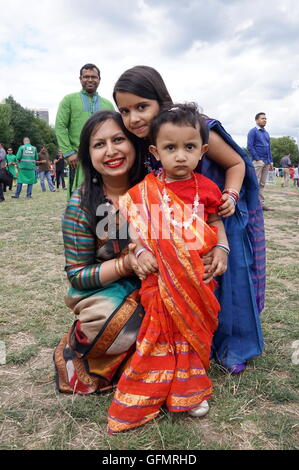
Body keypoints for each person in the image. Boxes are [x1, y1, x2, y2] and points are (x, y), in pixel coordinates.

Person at [113, 65, 265, 374]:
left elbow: (236, 163)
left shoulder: (196, 126)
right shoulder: (145, 143)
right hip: (175, 230)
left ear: (161, 99)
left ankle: (231, 346)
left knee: (224, 280)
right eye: (125, 111)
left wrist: (230, 196)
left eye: (142, 106)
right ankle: (193, 344)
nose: (134, 118)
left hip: (214, 213)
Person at [108, 103, 229, 433]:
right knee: (159, 332)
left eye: (189, 147)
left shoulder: (206, 188)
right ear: (155, 151)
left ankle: (189, 391)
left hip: (197, 278)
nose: (180, 156)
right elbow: (133, 226)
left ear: (202, 150)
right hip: (159, 279)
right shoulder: (145, 191)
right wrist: (140, 249)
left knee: (190, 336)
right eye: (170, 148)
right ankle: (154, 387)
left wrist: (222, 247)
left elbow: (215, 221)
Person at [53, 110, 147, 394]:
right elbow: (78, 276)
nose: (111, 151)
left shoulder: (155, 187)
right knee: (117, 325)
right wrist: (126, 265)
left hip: (156, 281)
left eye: (118, 139)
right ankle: (81, 344)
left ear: (133, 143)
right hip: (103, 290)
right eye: (99, 144)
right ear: (88, 155)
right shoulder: (81, 205)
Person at [55, 63, 115, 199]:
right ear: (80, 79)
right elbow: (60, 126)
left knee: (105, 195)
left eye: (93, 77)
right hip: (78, 159)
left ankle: (103, 220)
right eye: (86, 76)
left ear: (99, 79)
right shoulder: (69, 100)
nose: (90, 80)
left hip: (104, 157)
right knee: (79, 198)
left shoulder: (108, 104)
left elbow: (114, 130)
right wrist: (69, 153)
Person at [247, 113, 274, 211]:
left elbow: (269, 148)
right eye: (263, 118)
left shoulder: (266, 133)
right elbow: (250, 146)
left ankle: (261, 204)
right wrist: (258, 159)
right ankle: (252, 204)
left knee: (262, 184)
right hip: (257, 161)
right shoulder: (253, 132)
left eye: (266, 119)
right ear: (256, 120)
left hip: (267, 162)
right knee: (253, 183)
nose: (265, 120)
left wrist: (271, 161)